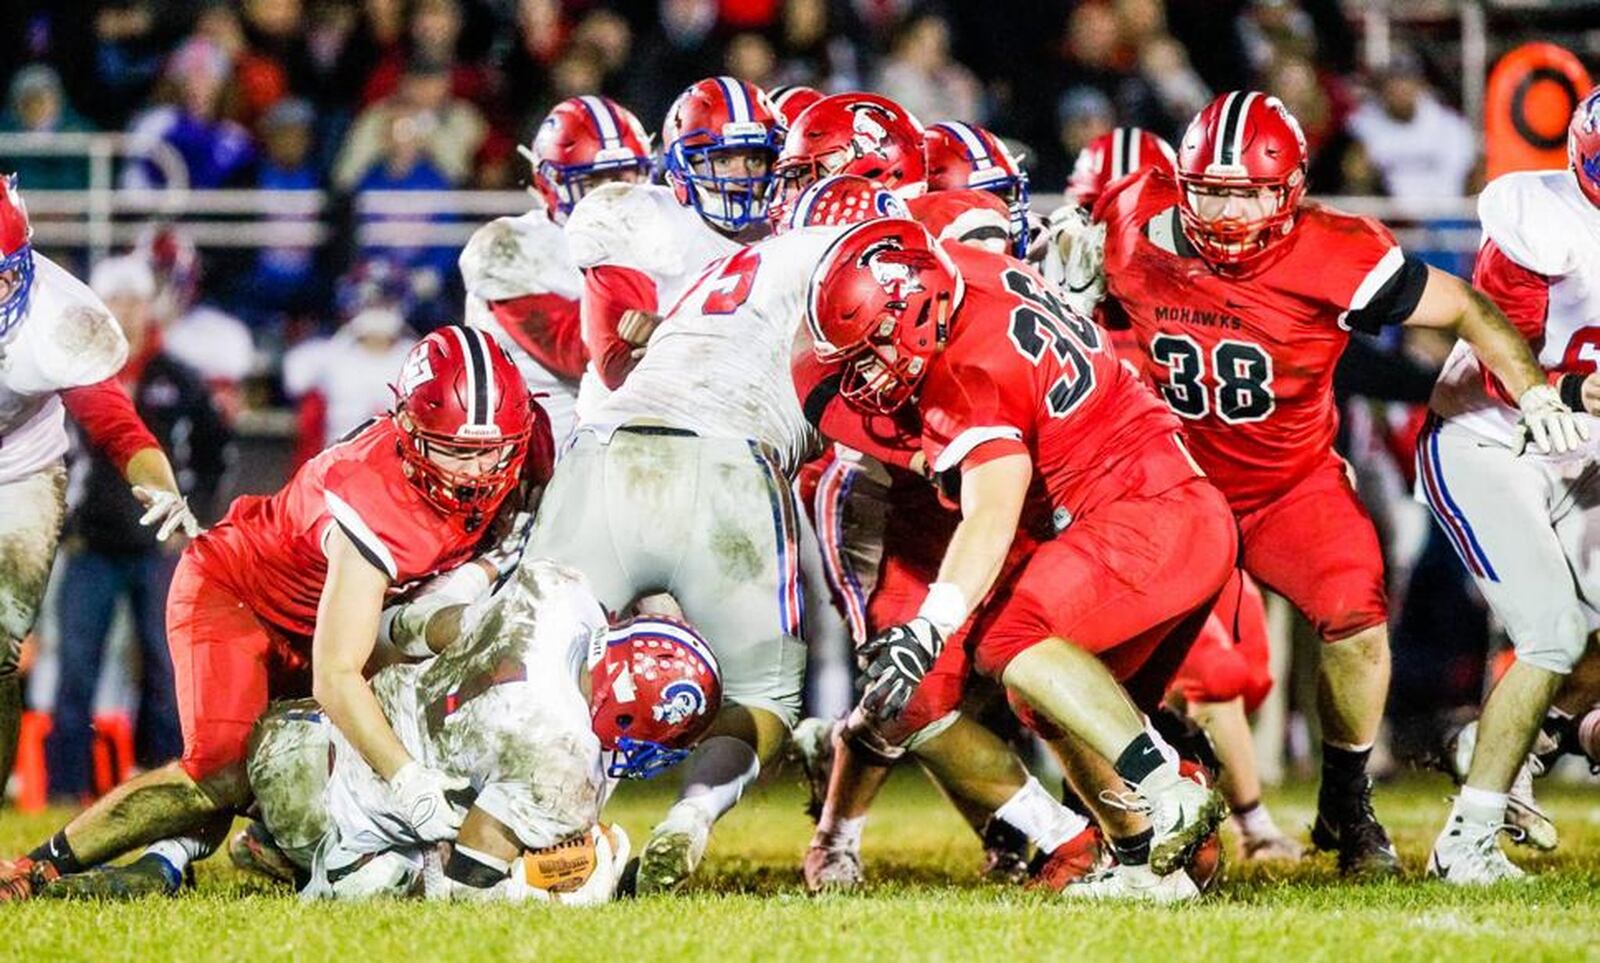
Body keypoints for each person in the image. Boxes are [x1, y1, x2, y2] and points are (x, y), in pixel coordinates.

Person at [1096, 90, 1586, 876]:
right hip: (1174, 483)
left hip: (1290, 484)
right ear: (1182, 184)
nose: (1226, 214)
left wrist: (1531, 386)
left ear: (1289, 191)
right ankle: (1127, 804)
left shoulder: (1335, 249)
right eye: (1212, 192)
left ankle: (1347, 803)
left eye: (1248, 192)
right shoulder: (1131, 218)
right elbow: (1086, 299)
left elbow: (1465, 306)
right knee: (1122, 660)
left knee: (1357, 618)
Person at [0, 327, 544, 901]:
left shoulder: (527, 447)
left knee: (360, 753)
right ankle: (40, 865)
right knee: (222, 769)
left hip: (334, 616)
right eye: (456, 452)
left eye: (493, 450)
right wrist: (410, 782)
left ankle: (231, 850)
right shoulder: (370, 494)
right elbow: (335, 676)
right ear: (407, 427)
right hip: (242, 598)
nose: (477, 471)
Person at [803, 217, 1236, 902]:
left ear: (917, 305)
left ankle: (1168, 785)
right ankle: (1145, 862)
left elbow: (991, 512)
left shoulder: (968, 375)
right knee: (1045, 696)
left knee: (1013, 638)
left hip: (1146, 514)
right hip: (1176, 507)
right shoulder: (969, 269)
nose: (870, 368)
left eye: (878, 342)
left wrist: (930, 625)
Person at [53, 561, 720, 900]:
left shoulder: (559, 594)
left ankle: (215, 842)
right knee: (412, 869)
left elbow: (432, 625)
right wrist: (563, 890)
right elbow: (463, 883)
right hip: (331, 814)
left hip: (305, 727)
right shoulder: (568, 762)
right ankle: (305, 856)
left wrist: (384, 633)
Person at [1422, 87, 1600, 883]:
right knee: (1554, 629)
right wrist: (1565, 392)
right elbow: (1500, 348)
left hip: (1583, 451)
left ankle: (1523, 739)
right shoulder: (1543, 216)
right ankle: (1466, 842)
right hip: (1490, 439)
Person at [0, 176, 198, 819]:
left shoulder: (56, 320)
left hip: (18, 472)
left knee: (1, 646)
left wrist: (161, 486)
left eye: (3, 277)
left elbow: (118, 426)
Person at [45, 256, 231, 800]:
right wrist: (63, 521)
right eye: (115, 300)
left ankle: (163, 789)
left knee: (167, 674)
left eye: (133, 299)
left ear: (149, 306)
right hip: (90, 545)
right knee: (75, 670)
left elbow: (217, 453)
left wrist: (190, 517)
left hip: (158, 548)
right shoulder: (69, 373)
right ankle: (63, 792)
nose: (124, 310)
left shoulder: (180, 379)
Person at [564, 76, 783, 420]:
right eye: (723, 160)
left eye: (754, 160)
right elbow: (619, 369)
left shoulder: (784, 233)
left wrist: (670, 335)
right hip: (622, 435)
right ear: (684, 166)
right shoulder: (639, 219)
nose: (741, 176)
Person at [459, 95, 652, 442]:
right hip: (543, 460)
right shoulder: (507, 246)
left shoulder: (665, 235)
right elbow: (588, 355)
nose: (614, 196)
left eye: (626, 178)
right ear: (551, 184)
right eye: (594, 183)